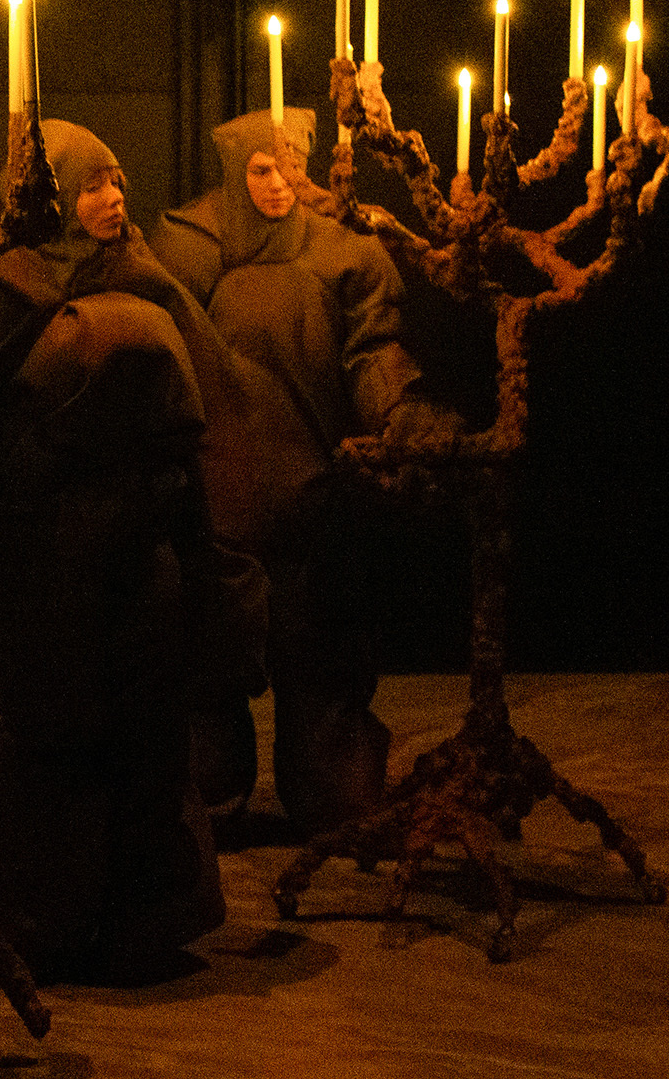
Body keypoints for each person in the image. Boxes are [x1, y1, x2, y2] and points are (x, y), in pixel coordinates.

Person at [0, 120, 266, 984]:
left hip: (145, 547)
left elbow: (206, 407)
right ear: (49, 195)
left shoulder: (145, 276)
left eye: (118, 180)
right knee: (56, 731)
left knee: (148, 734)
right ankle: (39, 915)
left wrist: (210, 551)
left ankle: (149, 914)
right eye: (91, 183)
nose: (113, 198)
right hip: (46, 555)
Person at [151, 107, 439, 837]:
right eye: (262, 168)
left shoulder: (344, 250)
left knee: (322, 666)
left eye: (292, 166)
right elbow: (158, 359)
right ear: (235, 169)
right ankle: (206, 789)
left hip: (313, 500)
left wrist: (401, 415)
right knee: (206, 676)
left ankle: (329, 781)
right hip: (212, 510)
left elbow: (374, 350)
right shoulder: (186, 248)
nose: (279, 183)